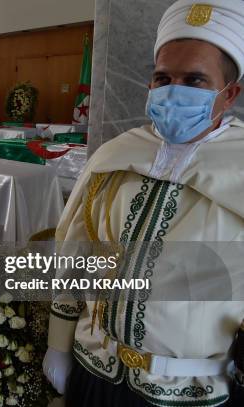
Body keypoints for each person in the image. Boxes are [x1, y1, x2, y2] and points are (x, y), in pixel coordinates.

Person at [43, 1, 244, 406]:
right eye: (163, 77)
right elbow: (75, 253)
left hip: (194, 392)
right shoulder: (115, 155)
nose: (174, 89)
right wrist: (59, 344)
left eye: (194, 80)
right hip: (95, 372)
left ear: (230, 93)